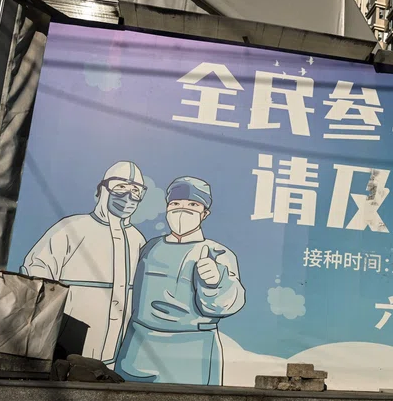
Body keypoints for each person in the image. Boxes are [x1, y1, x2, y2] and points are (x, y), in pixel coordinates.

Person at [115, 176, 245, 385]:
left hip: (192, 350)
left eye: (193, 205)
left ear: (205, 214)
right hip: (138, 347)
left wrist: (215, 283)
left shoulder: (216, 253)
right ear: (167, 208)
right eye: (175, 204)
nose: (182, 211)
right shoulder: (149, 248)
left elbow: (228, 303)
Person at [22, 161, 147, 364]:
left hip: (115, 353)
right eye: (120, 187)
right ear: (103, 190)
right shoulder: (71, 228)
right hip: (67, 347)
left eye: (135, 191)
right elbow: (36, 272)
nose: (128, 197)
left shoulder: (137, 238)